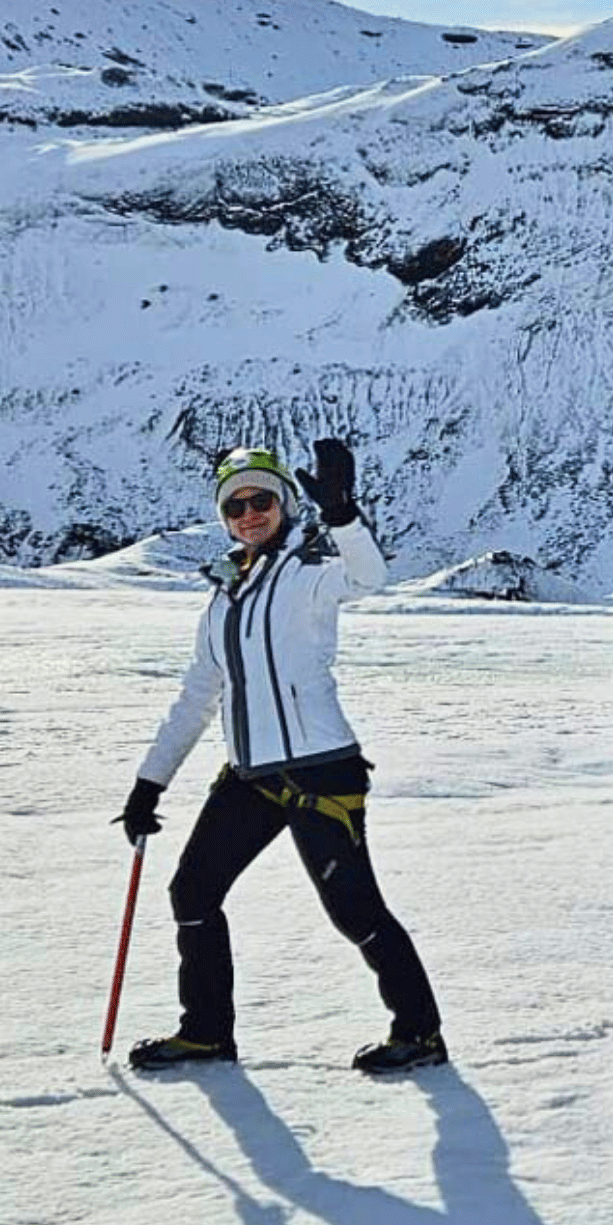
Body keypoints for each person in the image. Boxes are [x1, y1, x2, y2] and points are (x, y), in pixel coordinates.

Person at [115, 442, 443, 1077]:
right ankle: (206, 1033)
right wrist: (149, 784)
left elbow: (369, 578)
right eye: (235, 506)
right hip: (251, 777)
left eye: (261, 500)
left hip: (322, 770)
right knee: (193, 891)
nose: (249, 514)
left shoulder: (311, 570)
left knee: (354, 909)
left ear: (285, 504)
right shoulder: (224, 597)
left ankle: (420, 1034)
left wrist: (342, 515)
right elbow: (197, 696)